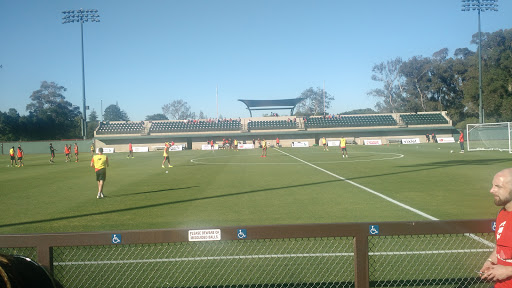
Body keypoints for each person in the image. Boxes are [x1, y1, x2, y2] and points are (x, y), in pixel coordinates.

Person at [480, 168, 512, 285]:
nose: (491, 190)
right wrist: (491, 261)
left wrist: (508, 270)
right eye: (492, 185)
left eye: (498, 186)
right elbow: (501, 246)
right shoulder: (502, 213)